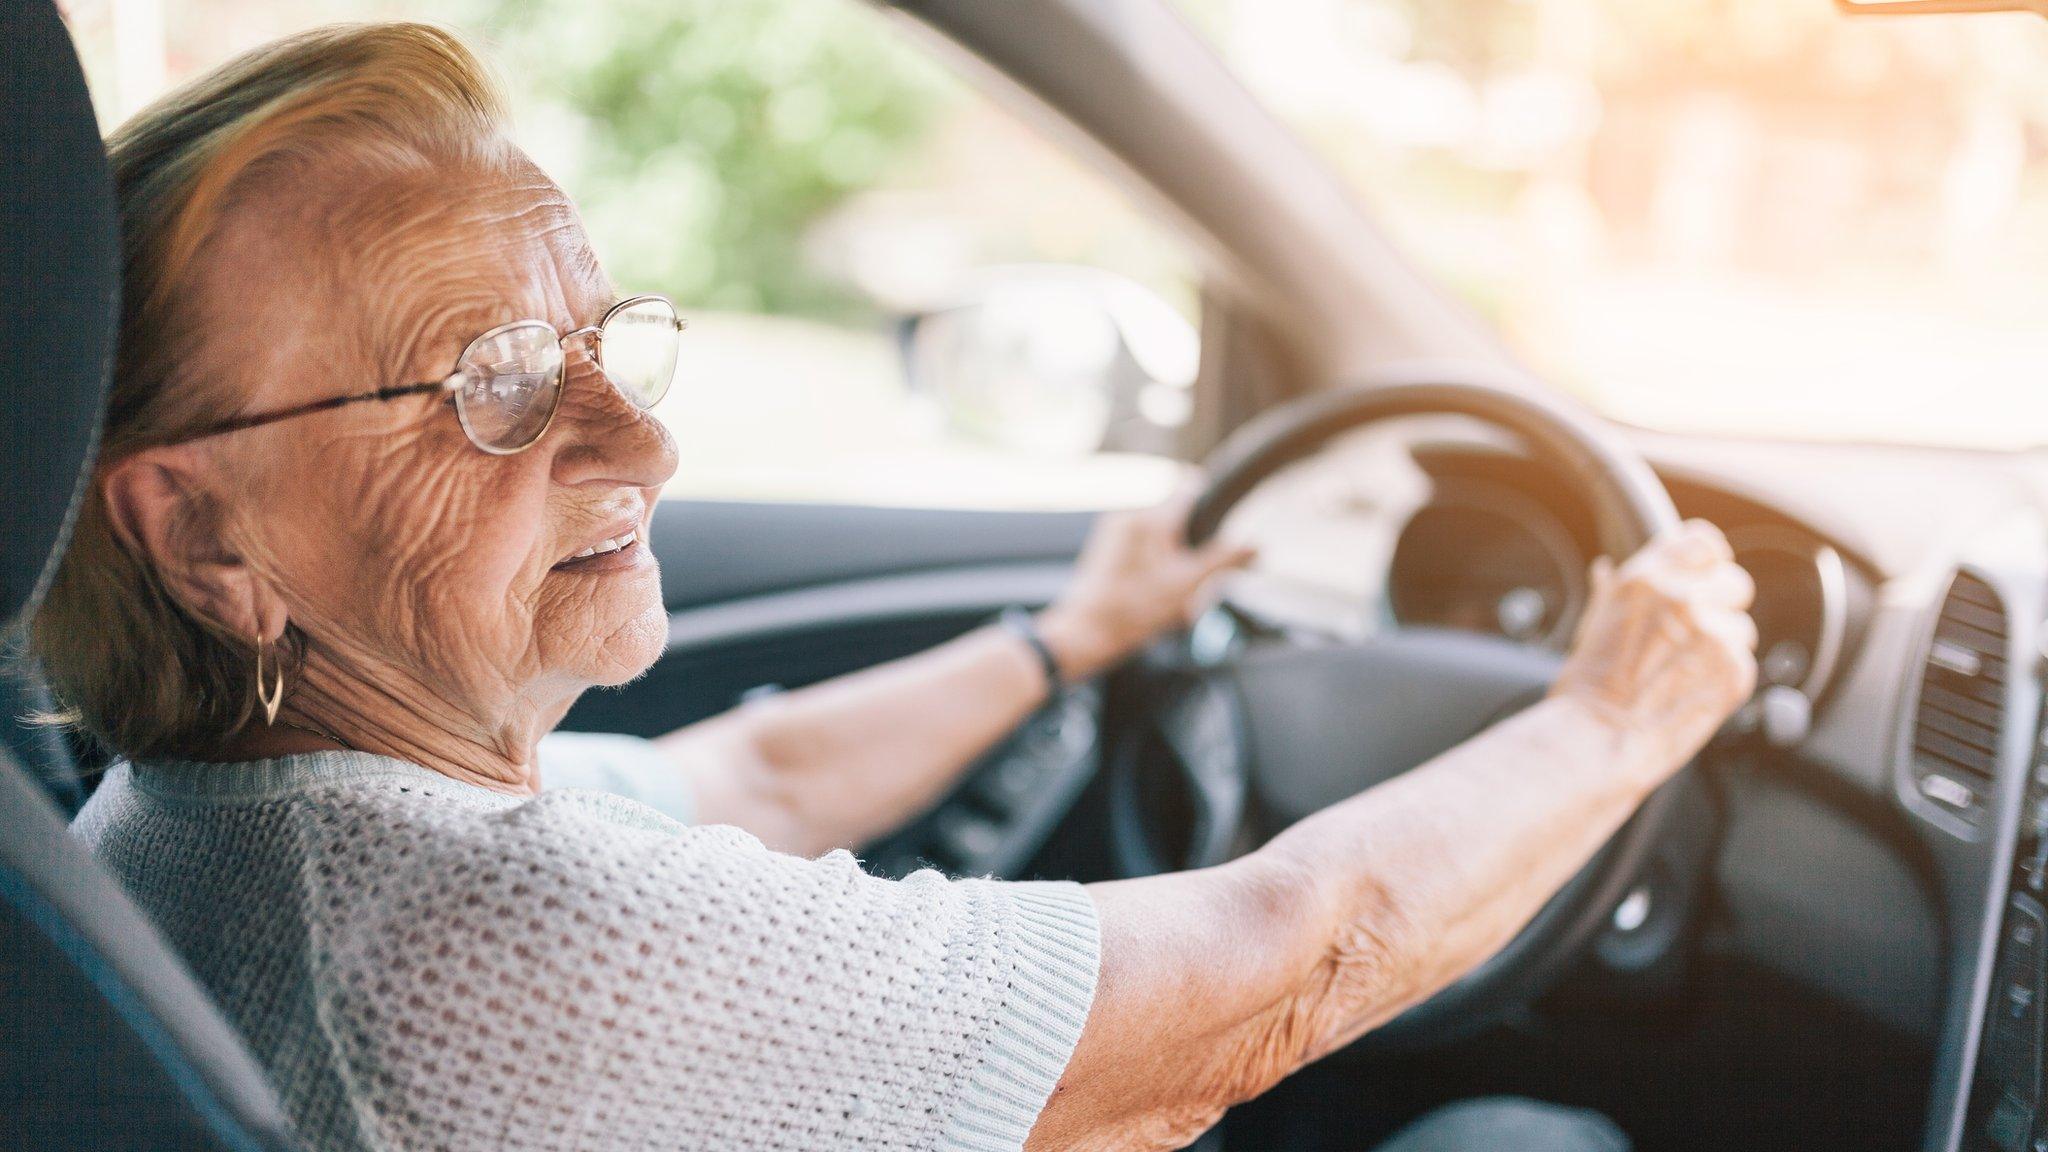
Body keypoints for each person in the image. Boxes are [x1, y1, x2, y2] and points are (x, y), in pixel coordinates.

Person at [32, 23, 1755, 1152]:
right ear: (204, 541)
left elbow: (755, 776)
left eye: (606, 341)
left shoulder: (180, 834)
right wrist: (1619, 716)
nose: (640, 440)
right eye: (488, 379)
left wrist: (1068, 638)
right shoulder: (486, 946)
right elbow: (1274, 967)